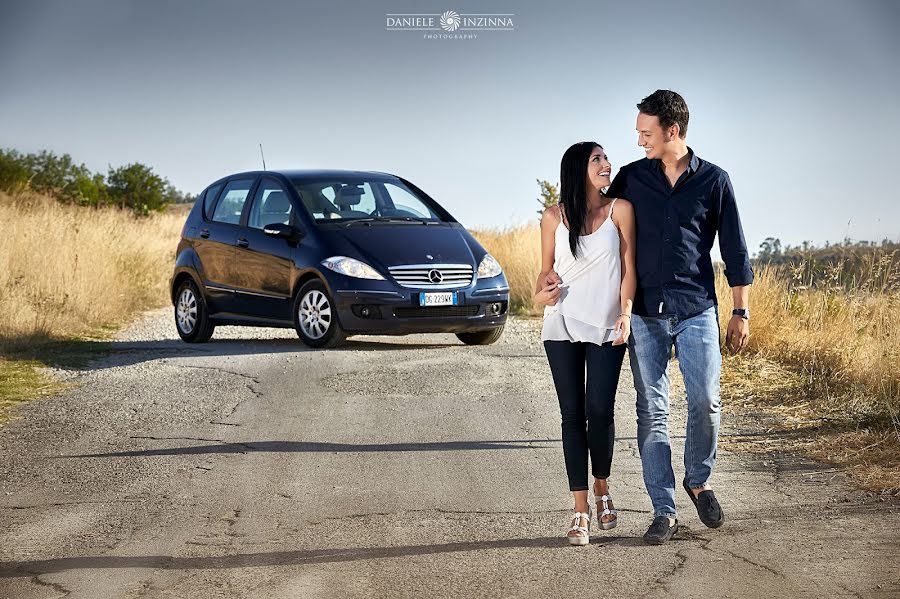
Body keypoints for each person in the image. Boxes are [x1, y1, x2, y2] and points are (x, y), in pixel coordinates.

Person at [603, 90, 754, 544]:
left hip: (697, 309)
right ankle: (664, 509)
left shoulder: (715, 181)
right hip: (646, 312)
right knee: (652, 410)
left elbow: (736, 251)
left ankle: (698, 479)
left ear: (672, 131)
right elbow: (596, 224)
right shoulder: (631, 179)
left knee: (705, 400)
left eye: (645, 133)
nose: (639, 142)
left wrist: (740, 311)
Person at [534, 141, 636, 546]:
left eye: (606, 158)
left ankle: (602, 487)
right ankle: (579, 511)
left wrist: (626, 313)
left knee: (600, 409)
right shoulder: (552, 218)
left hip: (608, 326)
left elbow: (630, 270)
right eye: (598, 159)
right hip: (561, 323)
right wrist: (544, 292)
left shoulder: (620, 211)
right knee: (572, 415)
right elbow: (543, 278)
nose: (607, 164)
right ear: (578, 169)